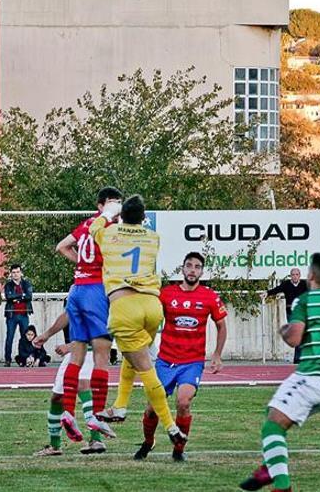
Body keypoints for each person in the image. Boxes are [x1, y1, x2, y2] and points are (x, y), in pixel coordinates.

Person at [239, 253, 320, 492]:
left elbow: (294, 339)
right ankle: (270, 466)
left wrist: (284, 330)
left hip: (311, 376)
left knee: (271, 428)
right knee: (273, 412)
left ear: (311, 276)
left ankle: (282, 484)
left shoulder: (306, 301)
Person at [88, 194, 186, 446]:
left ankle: (170, 425)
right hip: (153, 305)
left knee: (145, 368)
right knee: (133, 356)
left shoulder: (109, 234)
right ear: (143, 218)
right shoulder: (153, 238)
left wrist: (109, 213)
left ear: (121, 216)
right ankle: (120, 405)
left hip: (125, 306)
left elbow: (94, 228)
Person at [134, 252, 227, 462]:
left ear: (202, 271)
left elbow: (221, 326)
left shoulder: (209, 296)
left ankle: (178, 448)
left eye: (197, 267)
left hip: (192, 363)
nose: (192, 270)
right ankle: (148, 442)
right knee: (152, 409)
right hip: (165, 361)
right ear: (182, 268)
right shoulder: (166, 294)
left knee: (183, 402)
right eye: (189, 266)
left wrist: (217, 355)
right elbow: (150, 318)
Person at [54, 187, 123, 442]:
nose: (117, 207)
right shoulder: (110, 227)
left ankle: (69, 413)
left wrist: (82, 265)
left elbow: (62, 246)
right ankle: (96, 415)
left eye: (119, 203)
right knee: (103, 354)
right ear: (101, 205)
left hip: (77, 289)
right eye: (113, 203)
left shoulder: (86, 224)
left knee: (79, 353)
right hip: (95, 290)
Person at [34, 310, 105, 455]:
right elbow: (68, 314)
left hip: (90, 350)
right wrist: (46, 335)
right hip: (75, 351)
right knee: (57, 398)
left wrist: (69, 346)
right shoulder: (77, 290)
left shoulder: (97, 291)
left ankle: (96, 439)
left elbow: (99, 327)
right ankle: (55, 446)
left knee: (83, 385)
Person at [262, 268, 308, 364]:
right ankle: (298, 358)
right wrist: (267, 293)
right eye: (293, 274)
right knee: (296, 334)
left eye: (296, 274)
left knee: (302, 335)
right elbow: (277, 289)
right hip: (291, 313)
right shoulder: (286, 284)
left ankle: (298, 359)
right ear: (290, 276)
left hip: (302, 313)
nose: (295, 276)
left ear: (299, 275)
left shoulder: (304, 284)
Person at [3, 263, 33, 367]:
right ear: (11, 274)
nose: (15, 274)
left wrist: (17, 298)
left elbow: (29, 296)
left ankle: (24, 359)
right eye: (13, 272)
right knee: (9, 337)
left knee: (25, 338)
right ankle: (7, 360)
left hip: (24, 314)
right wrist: (22, 296)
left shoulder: (26, 283)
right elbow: (8, 297)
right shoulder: (8, 285)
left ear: (21, 273)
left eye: (17, 272)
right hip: (12, 315)